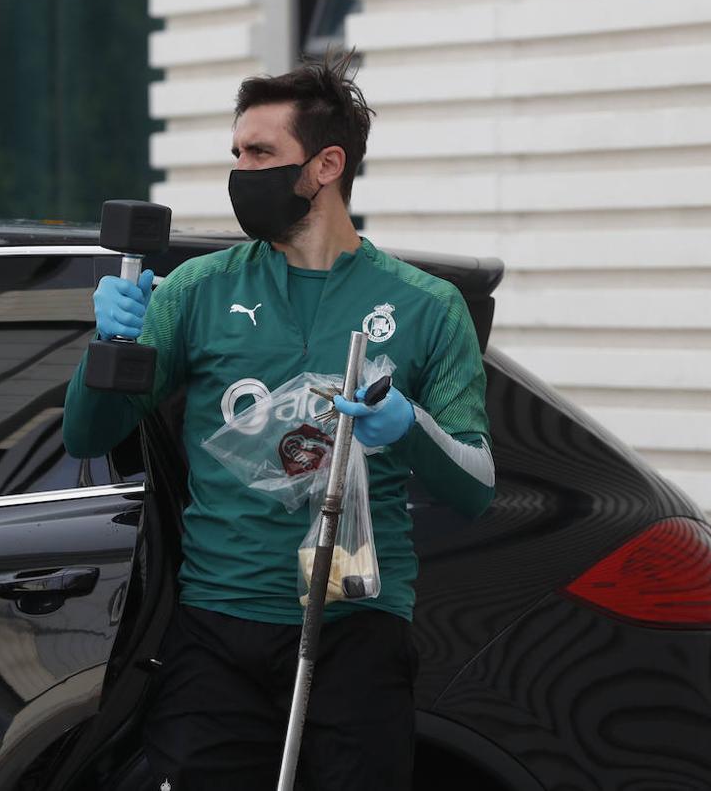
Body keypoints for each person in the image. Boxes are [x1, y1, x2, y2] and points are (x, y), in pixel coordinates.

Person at [63, 50, 494, 791]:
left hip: (357, 630)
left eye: (261, 152)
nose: (241, 171)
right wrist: (107, 347)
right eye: (236, 153)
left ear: (326, 165)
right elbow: (87, 436)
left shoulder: (426, 306)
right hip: (216, 629)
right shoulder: (198, 289)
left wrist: (408, 427)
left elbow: (478, 485)